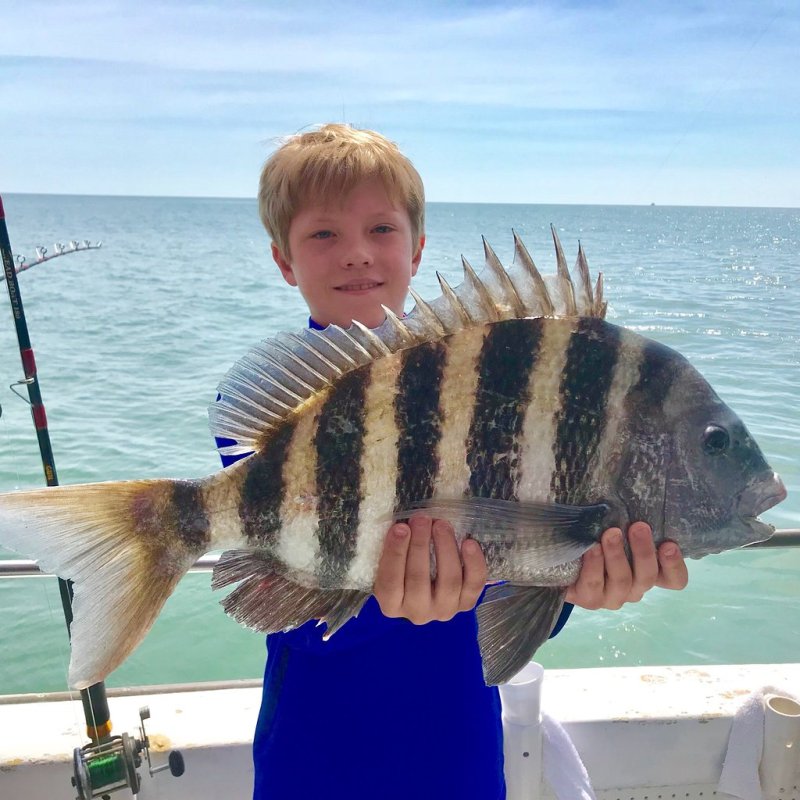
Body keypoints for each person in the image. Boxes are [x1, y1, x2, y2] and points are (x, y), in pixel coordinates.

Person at [215, 123, 689, 800]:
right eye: (323, 234)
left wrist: (574, 585)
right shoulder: (284, 409)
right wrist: (392, 602)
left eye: (381, 229)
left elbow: (515, 576)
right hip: (316, 743)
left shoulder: (496, 384)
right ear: (284, 261)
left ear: (417, 249)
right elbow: (283, 603)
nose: (357, 253)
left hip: (456, 742)